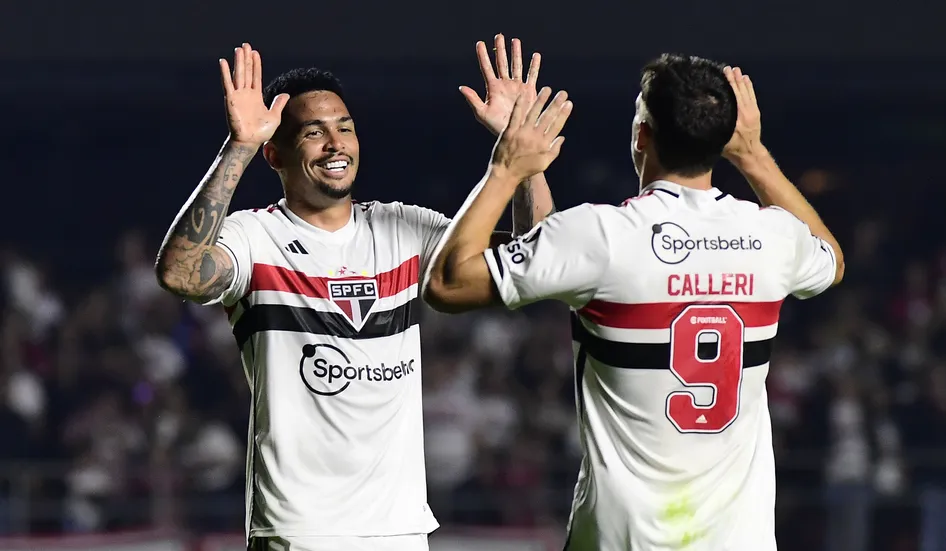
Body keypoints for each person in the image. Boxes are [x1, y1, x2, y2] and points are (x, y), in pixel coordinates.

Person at [424, 55, 845, 551]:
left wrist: (509, 165)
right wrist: (752, 156)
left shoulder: (602, 237)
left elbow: (449, 285)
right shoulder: (772, 235)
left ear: (641, 133)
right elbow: (832, 261)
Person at [154, 37, 555, 551]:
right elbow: (181, 273)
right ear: (275, 153)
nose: (335, 144)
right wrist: (240, 145)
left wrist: (523, 158)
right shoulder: (255, 238)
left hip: (400, 530)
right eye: (314, 133)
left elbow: (537, 260)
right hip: (299, 531)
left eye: (344, 128)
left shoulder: (404, 228)